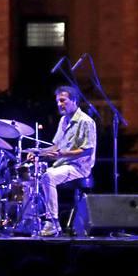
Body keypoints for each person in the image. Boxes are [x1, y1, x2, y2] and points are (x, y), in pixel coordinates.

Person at [37, 85, 96, 237]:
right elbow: (57, 145)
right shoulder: (63, 120)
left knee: (48, 175)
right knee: (33, 176)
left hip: (79, 167)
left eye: (63, 100)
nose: (59, 104)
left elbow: (87, 150)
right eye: (57, 101)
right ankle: (29, 221)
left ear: (74, 100)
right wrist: (38, 153)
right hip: (63, 164)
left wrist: (61, 154)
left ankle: (53, 222)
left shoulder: (86, 121)